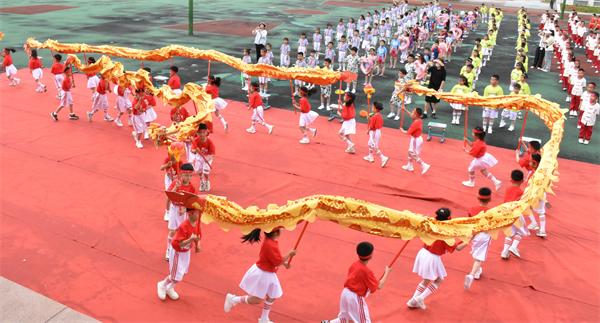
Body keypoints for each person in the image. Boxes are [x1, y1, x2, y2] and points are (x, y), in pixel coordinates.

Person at [224, 228, 296, 323]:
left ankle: (264, 319)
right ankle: (233, 299)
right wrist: (289, 254)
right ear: (275, 232)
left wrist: (284, 263)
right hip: (263, 274)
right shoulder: (270, 244)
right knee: (257, 300)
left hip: (268, 272)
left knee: (272, 295)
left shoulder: (271, 242)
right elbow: (277, 261)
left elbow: (274, 259)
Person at [407, 208, 466, 309]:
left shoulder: (430, 222)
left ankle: (413, 301)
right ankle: (419, 298)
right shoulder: (445, 234)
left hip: (423, 253)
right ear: (448, 218)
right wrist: (468, 240)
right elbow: (458, 248)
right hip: (432, 257)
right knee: (438, 280)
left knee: (426, 280)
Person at [322, 242, 392, 323]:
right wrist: (387, 272)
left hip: (345, 293)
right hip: (355, 297)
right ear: (371, 255)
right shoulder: (367, 271)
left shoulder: (354, 264)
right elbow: (379, 286)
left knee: (344, 318)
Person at [157, 205, 203, 301]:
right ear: (190, 213)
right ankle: (162, 284)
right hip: (178, 251)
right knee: (175, 275)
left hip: (186, 252)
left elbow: (198, 235)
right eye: (197, 212)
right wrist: (191, 239)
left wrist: (197, 244)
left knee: (181, 273)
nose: (199, 214)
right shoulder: (184, 226)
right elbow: (178, 243)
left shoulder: (196, 223)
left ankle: (169, 288)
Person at [164, 163, 197, 260]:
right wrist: (175, 187)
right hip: (174, 210)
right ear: (181, 174)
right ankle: (169, 250)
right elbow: (169, 196)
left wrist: (185, 209)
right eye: (186, 175)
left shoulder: (192, 188)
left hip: (184, 213)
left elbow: (193, 204)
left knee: (182, 232)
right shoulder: (176, 183)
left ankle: (179, 247)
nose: (189, 177)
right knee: (172, 231)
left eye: (190, 175)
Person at [463, 187, 492, 289]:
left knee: (476, 252)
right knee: (479, 257)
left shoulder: (471, 209)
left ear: (478, 198)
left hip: (474, 234)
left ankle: (477, 271)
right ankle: (472, 274)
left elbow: (469, 223)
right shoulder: (491, 212)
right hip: (485, 235)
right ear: (490, 199)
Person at [462, 126, 502, 191]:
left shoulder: (478, 143)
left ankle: (471, 182)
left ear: (476, 135)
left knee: (470, 169)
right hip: (483, 158)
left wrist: (465, 150)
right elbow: (472, 145)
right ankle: (496, 181)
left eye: (473, 133)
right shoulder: (480, 141)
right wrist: (467, 140)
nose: (472, 134)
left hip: (479, 159)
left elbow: (473, 154)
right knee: (483, 171)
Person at [501, 169, 529, 259]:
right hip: (515, 214)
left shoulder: (507, 189)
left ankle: (504, 252)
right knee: (520, 231)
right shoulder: (521, 192)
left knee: (509, 233)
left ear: (511, 179)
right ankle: (513, 247)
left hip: (506, 214)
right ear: (522, 180)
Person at [401, 108, 430, 174]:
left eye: (413, 112)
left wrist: (402, 130)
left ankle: (424, 165)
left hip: (416, 140)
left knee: (412, 153)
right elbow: (411, 115)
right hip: (416, 139)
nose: (412, 113)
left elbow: (408, 132)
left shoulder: (416, 123)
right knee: (409, 152)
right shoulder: (418, 119)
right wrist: (405, 110)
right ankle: (410, 166)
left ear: (416, 114)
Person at [364, 102, 390, 168]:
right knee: (370, 143)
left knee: (374, 145)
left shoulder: (374, 116)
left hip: (374, 132)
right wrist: (370, 118)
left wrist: (368, 130)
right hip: (378, 131)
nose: (372, 108)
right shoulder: (379, 116)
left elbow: (372, 126)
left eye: (373, 107)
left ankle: (383, 158)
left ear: (375, 108)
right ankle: (370, 156)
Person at [191, 123, 215, 191]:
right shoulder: (195, 140)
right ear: (197, 133)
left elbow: (212, 154)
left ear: (206, 132)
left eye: (203, 132)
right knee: (199, 171)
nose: (201, 134)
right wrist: (195, 150)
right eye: (200, 132)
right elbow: (192, 150)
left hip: (208, 157)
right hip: (199, 157)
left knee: (206, 172)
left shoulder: (210, 142)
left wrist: (207, 159)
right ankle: (202, 181)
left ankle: (207, 181)